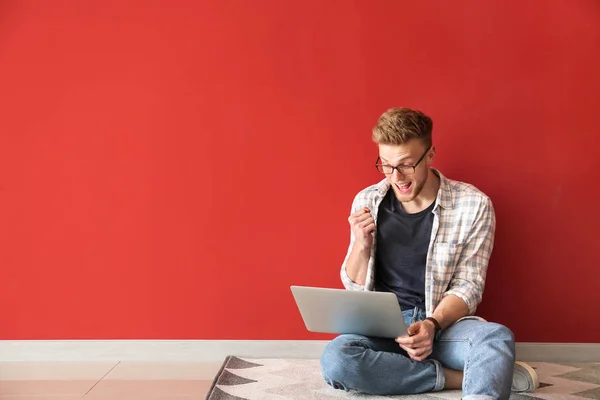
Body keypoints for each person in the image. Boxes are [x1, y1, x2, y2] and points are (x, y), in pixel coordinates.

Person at [320, 108, 539, 399]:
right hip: (385, 328)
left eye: (406, 165)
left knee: (496, 338)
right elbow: (353, 287)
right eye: (385, 165)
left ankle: (480, 378)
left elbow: (469, 286)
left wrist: (431, 324)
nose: (396, 177)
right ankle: (458, 377)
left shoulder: (473, 204)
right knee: (337, 359)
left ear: (430, 154)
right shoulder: (368, 200)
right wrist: (361, 244)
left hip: (443, 326)